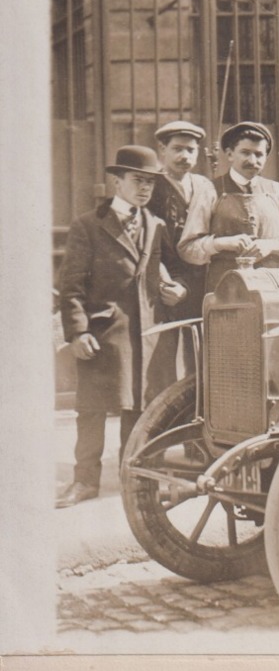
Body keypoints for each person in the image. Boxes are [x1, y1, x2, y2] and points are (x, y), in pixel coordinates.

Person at [56, 147, 187, 507]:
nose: (144, 189)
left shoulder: (157, 225)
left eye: (150, 182)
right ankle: (85, 482)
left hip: (148, 333)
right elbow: (71, 286)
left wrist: (178, 289)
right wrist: (78, 331)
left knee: (142, 410)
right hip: (104, 333)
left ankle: (139, 482)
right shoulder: (88, 225)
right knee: (92, 410)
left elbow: (175, 271)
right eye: (137, 180)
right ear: (117, 182)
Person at [178, 121, 279, 293]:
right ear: (230, 154)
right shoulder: (210, 190)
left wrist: (272, 245)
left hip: (273, 289)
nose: (252, 160)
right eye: (245, 153)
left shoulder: (276, 191)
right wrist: (220, 243)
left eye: (259, 154)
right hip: (226, 289)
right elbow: (187, 249)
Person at [148, 119, 210, 372]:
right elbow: (148, 243)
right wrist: (167, 283)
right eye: (177, 148)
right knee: (164, 362)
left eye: (190, 150)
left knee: (200, 356)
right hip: (165, 284)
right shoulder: (151, 186)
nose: (184, 156)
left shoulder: (204, 187)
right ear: (162, 150)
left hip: (199, 281)